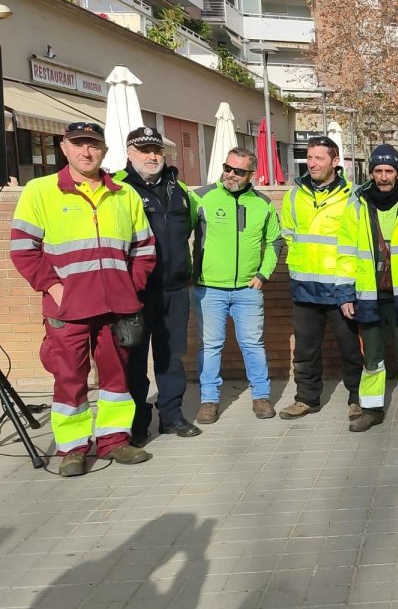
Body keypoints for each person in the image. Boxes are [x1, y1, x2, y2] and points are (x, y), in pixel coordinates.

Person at [9, 122, 156, 476]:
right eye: (78, 144)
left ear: (104, 150)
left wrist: (130, 286)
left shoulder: (124, 194)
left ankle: (114, 440)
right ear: (64, 147)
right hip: (67, 309)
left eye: (93, 145)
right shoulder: (40, 191)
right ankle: (73, 449)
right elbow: (22, 250)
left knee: (116, 379)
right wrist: (55, 288)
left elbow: (145, 248)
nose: (86, 152)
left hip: (117, 307)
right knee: (69, 379)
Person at [114, 127, 202, 446]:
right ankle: (138, 422)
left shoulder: (177, 188)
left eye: (157, 150)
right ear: (129, 153)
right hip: (135, 291)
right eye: (144, 150)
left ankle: (171, 416)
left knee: (171, 355)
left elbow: (189, 226)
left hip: (175, 289)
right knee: (134, 359)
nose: (152, 156)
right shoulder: (117, 189)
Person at [338, 144, 398, 433]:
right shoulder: (357, 203)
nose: (383, 176)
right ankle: (372, 409)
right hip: (369, 294)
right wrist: (344, 293)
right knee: (372, 358)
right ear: (371, 173)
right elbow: (346, 251)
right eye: (378, 170)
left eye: (389, 171)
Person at [192, 148, 282, 422]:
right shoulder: (201, 197)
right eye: (227, 167)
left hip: (247, 289)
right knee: (210, 345)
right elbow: (178, 233)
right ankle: (208, 401)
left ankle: (262, 396)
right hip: (208, 288)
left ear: (251, 175)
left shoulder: (263, 204)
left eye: (239, 171)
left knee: (253, 344)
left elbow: (276, 241)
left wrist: (263, 275)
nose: (231, 174)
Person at [280, 136, 364, 420]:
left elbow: (358, 241)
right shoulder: (294, 195)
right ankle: (306, 398)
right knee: (304, 349)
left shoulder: (354, 195)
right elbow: (289, 234)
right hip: (304, 286)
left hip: (340, 287)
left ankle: (358, 398)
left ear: (335, 161)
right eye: (310, 158)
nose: (312, 163)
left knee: (351, 348)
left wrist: (349, 283)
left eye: (319, 158)